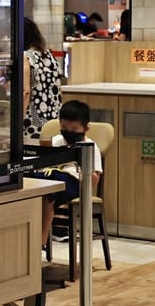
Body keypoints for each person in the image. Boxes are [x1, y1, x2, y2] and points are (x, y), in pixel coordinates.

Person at [32, 99, 103, 244]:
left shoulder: (91, 147)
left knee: (49, 191)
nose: (68, 133)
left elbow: (95, 180)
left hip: (75, 181)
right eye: (64, 128)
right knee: (29, 182)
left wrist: (82, 163)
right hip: (50, 175)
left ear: (86, 128)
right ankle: (30, 235)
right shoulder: (56, 141)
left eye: (74, 130)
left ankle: (41, 241)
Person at [22, 17, 62, 142]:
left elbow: (25, 92)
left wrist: (17, 120)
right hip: (54, 120)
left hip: (33, 121)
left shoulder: (26, 57)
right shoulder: (49, 56)